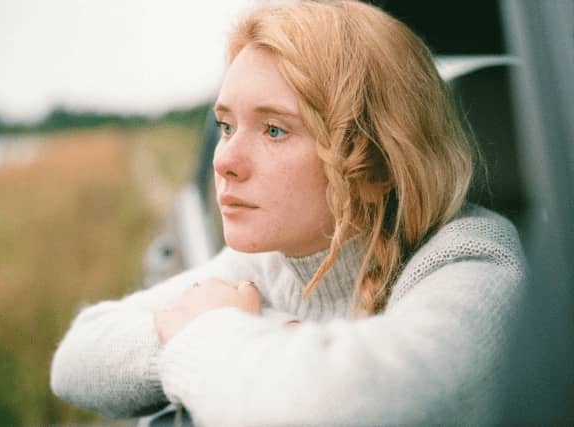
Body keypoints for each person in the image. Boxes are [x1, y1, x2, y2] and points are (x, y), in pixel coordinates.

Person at [50, 1, 525, 426]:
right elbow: (77, 358)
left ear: (377, 164)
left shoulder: (474, 260)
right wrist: (218, 332)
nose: (223, 160)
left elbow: (359, 405)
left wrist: (221, 331)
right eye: (226, 126)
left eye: (274, 130)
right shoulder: (272, 264)